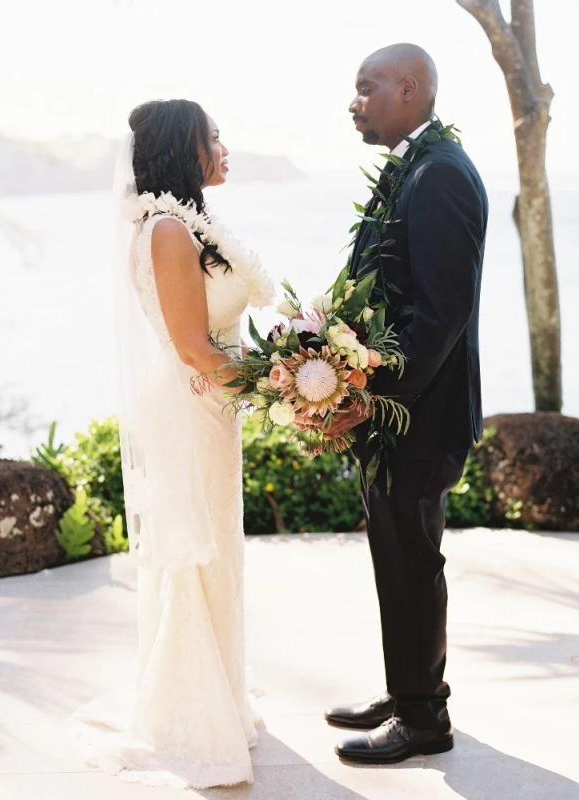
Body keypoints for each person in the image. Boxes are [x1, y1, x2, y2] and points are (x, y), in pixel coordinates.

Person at [68, 99, 274, 789]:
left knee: (218, 545)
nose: (224, 144)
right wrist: (272, 391)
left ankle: (221, 690)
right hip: (192, 408)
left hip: (213, 408)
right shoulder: (165, 232)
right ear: (183, 150)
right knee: (196, 549)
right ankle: (190, 719)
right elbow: (190, 345)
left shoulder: (187, 225)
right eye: (212, 136)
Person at [324, 44, 488, 764]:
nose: (354, 102)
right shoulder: (416, 167)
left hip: (415, 418)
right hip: (395, 414)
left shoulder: (441, 175)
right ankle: (408, 687)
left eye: (366, 88)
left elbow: (440, 315)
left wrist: (372, 399)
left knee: (411, 562)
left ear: (408, 88)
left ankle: (424, 721)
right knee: (395, 558)